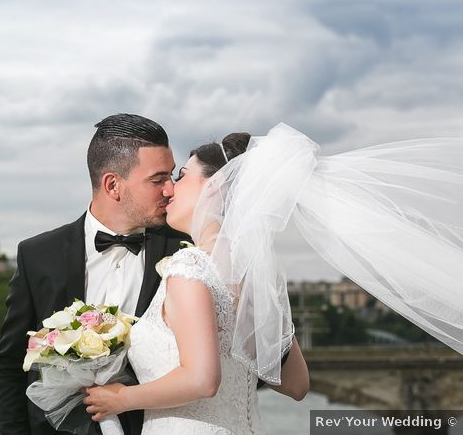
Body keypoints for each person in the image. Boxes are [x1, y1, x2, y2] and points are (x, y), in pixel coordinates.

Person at [84, 123, 463, 433]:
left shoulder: (189, 270)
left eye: (181, 177)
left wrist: (121, 399)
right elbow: (297, 385)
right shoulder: (253, 277)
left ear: (214, 187)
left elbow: (202, 380)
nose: (169, 189)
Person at [0, 113, 188, 435]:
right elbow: (10, 367)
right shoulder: (38, 255)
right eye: (158, 179)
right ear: (112, 185)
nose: (171, 190)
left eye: (172, 176)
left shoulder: (184, 251)